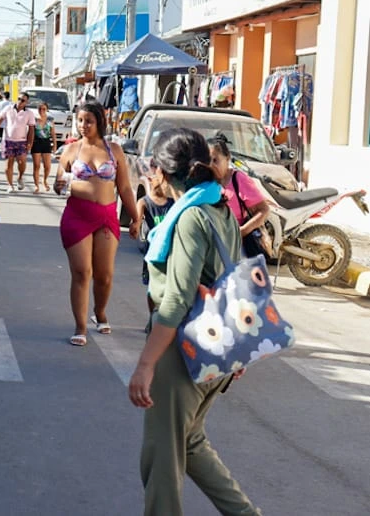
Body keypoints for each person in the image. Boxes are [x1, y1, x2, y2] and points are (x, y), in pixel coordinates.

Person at [128, 128, 261, 515]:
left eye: (153, 167)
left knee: (162, 459)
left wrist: (145, 365)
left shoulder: (189, 218)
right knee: (189, 443)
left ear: (164, 173)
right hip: (218, 342)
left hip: (184, 348)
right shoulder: (222, 208)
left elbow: (175, 302)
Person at [54, 102, 139, 345]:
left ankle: (100, 312)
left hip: (106, 217)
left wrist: (135, 218)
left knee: (104, 275)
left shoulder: (114, 150)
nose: (83, 126)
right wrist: (58, 186)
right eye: (80, 120)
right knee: (82, 272)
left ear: (99, 121)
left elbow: (123, 187)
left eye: (89, 121)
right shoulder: (70, 151)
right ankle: (80, 327)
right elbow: (59, 184)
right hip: (76, 216)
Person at [208, 135, 270, 256]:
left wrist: (242, 231)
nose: (211, 165)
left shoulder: (238, 179)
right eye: (207, 161)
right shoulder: (206, 181)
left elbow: (264, 210)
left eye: (215, 160)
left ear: (227, 158)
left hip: (237, 246)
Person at [132, 163, 174, 320]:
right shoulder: (144, 202)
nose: (158, 181)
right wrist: (134, 226)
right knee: (152, 287)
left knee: (168, 287)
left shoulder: (173, 202)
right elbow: (137, 221)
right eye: (155, 178)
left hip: (170, 250)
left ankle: (163, 318)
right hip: (152, 251)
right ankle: (152, 318)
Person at [0, 92, 35, 193]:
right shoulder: (8, 108)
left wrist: (30, 142)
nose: (20, 101)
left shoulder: (29, 113)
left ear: (26, 102)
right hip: (8, 140)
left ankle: (20, 177)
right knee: (9, 163)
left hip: (22, 141)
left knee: (22, 162)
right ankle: (10, 185)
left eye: (23, 100)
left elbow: (32, 128)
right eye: (19, 99)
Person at [31, 102, 56, 193]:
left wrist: (54, 146)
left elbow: (53, 133)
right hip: (36, 142)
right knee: (36, 165)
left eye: (44, 109)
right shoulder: (34, 119)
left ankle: (45, 181)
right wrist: (29, 144)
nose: (42, 111)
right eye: (40, 109)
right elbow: (31, 133)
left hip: (46, 143)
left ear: (47, 109)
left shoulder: (50, 119)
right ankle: (36, 185)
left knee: (47, 166)